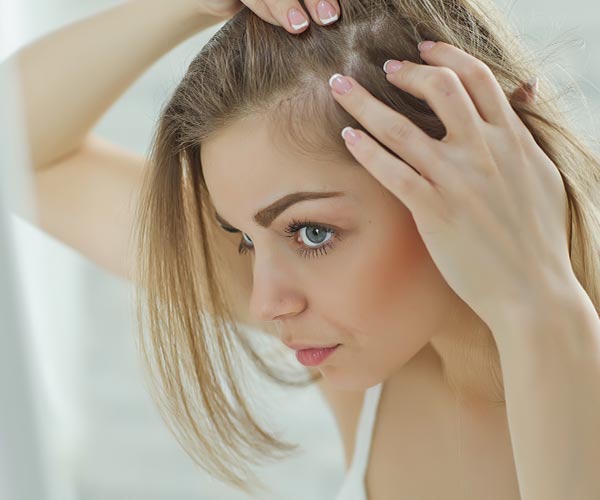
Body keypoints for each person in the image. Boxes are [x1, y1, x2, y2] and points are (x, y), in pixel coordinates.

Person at [8, 0, 599, 498]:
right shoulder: (367, 352)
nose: (267, 303)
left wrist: (538, 305)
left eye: (311, 232)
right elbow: (20, 158)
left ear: (491, 166)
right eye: (243, 237)